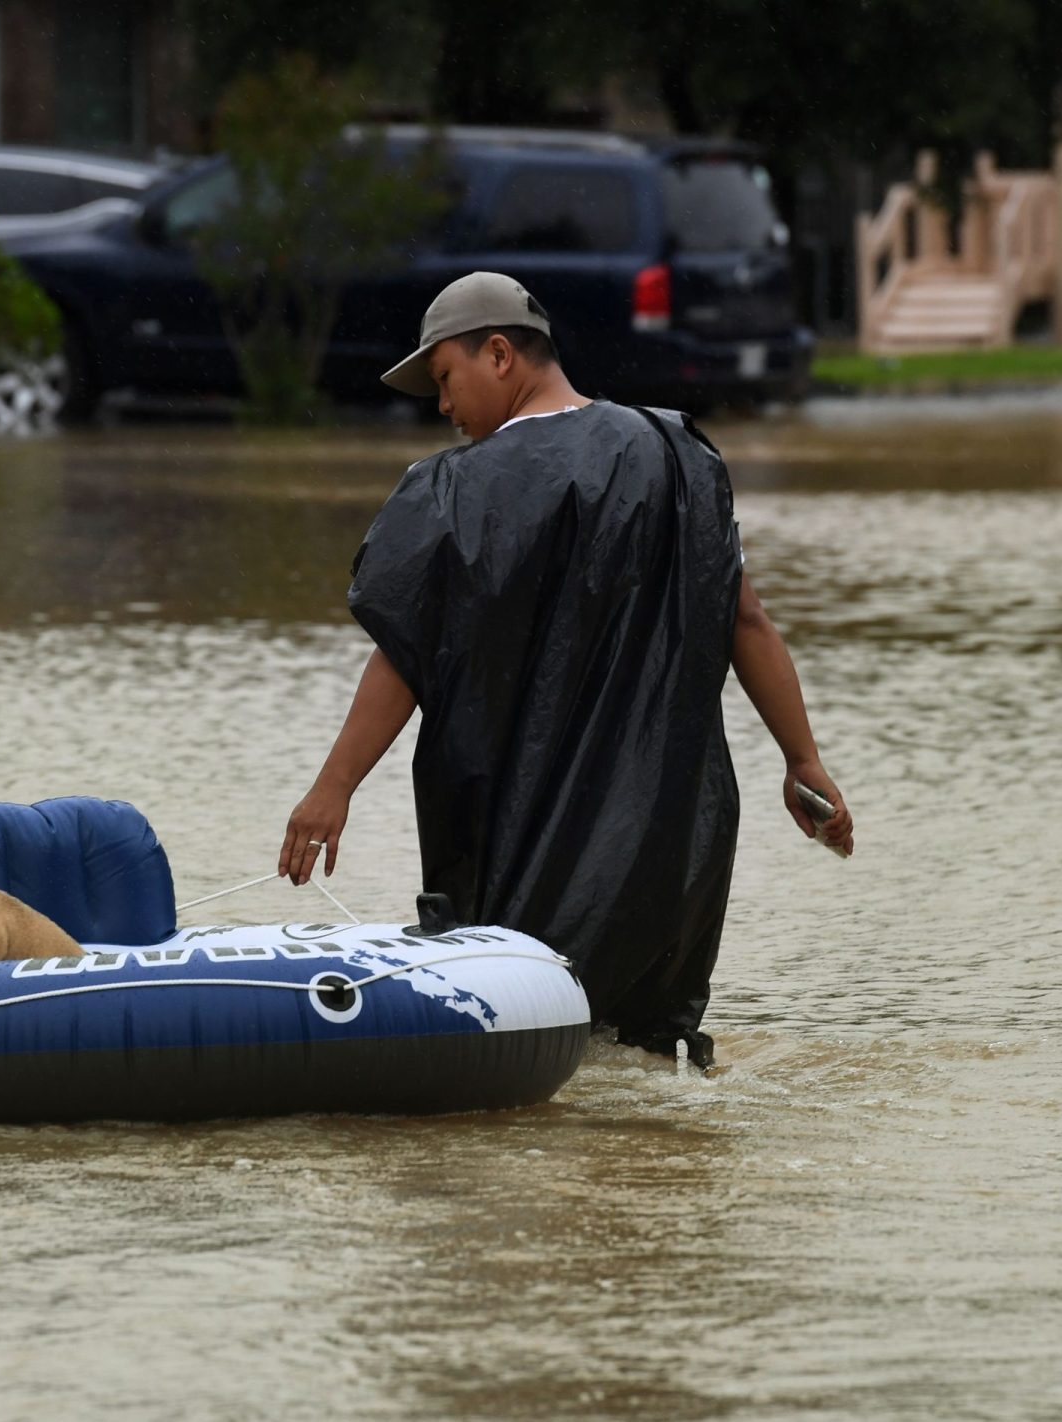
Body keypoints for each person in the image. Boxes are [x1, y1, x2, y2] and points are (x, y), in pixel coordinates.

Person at [277, 271, 853, 1066]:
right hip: (673, 840)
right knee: (656, 1061)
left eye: (445, 379)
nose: (442, 407)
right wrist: (801, 759)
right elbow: (744, 618)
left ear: (502, 354)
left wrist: (332, 788)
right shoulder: (676, 456)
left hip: (525, 838)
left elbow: (404, 654)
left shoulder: (451, 491)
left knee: (525, 1050)